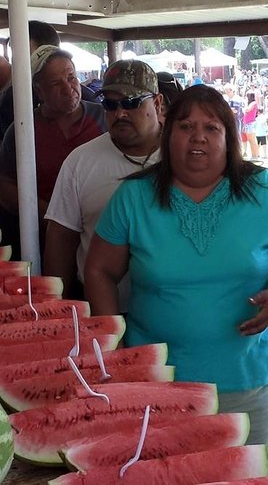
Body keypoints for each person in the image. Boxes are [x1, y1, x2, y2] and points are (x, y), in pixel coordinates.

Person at [86, 85, 268, 444]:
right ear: (168, 135)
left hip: (249, 382)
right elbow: (99, 271)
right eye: (185, 126)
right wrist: (116, 351)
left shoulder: (261, 190)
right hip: (155, 385)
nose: (197, 136)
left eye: (212, 127)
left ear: (229, 137)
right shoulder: (134, 197)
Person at [44, 60, 163, 301]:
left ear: (158, 103)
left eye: (131, 102)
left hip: (169, 311)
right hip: (99, 308)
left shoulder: (184, 155)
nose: (120, 113)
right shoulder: (79, 161)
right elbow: (61, 242)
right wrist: (60, 308)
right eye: (110, 104)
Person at [0, 46, 106, 258]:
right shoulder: (23, 129)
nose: (68, 88)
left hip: (98, 239)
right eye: (55, 83)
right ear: (39, 90)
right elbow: (1, 186)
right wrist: (52, 216)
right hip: (40, 240)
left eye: (71, 77)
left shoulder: (104, 118)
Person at [0, 21, 60, 215]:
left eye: (21, 50)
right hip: (21, 202)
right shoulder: (13, 97)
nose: (15, 59)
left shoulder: (85, 99)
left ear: (48, 51)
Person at [243, 91, 260, 160]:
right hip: (248, 123)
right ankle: (254, 155)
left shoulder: (253, 103)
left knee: (252, 140)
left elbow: (247, 110)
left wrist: (244, 105)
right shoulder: (253, 103)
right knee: (251, 140)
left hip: (250, 123)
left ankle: (255, 156)